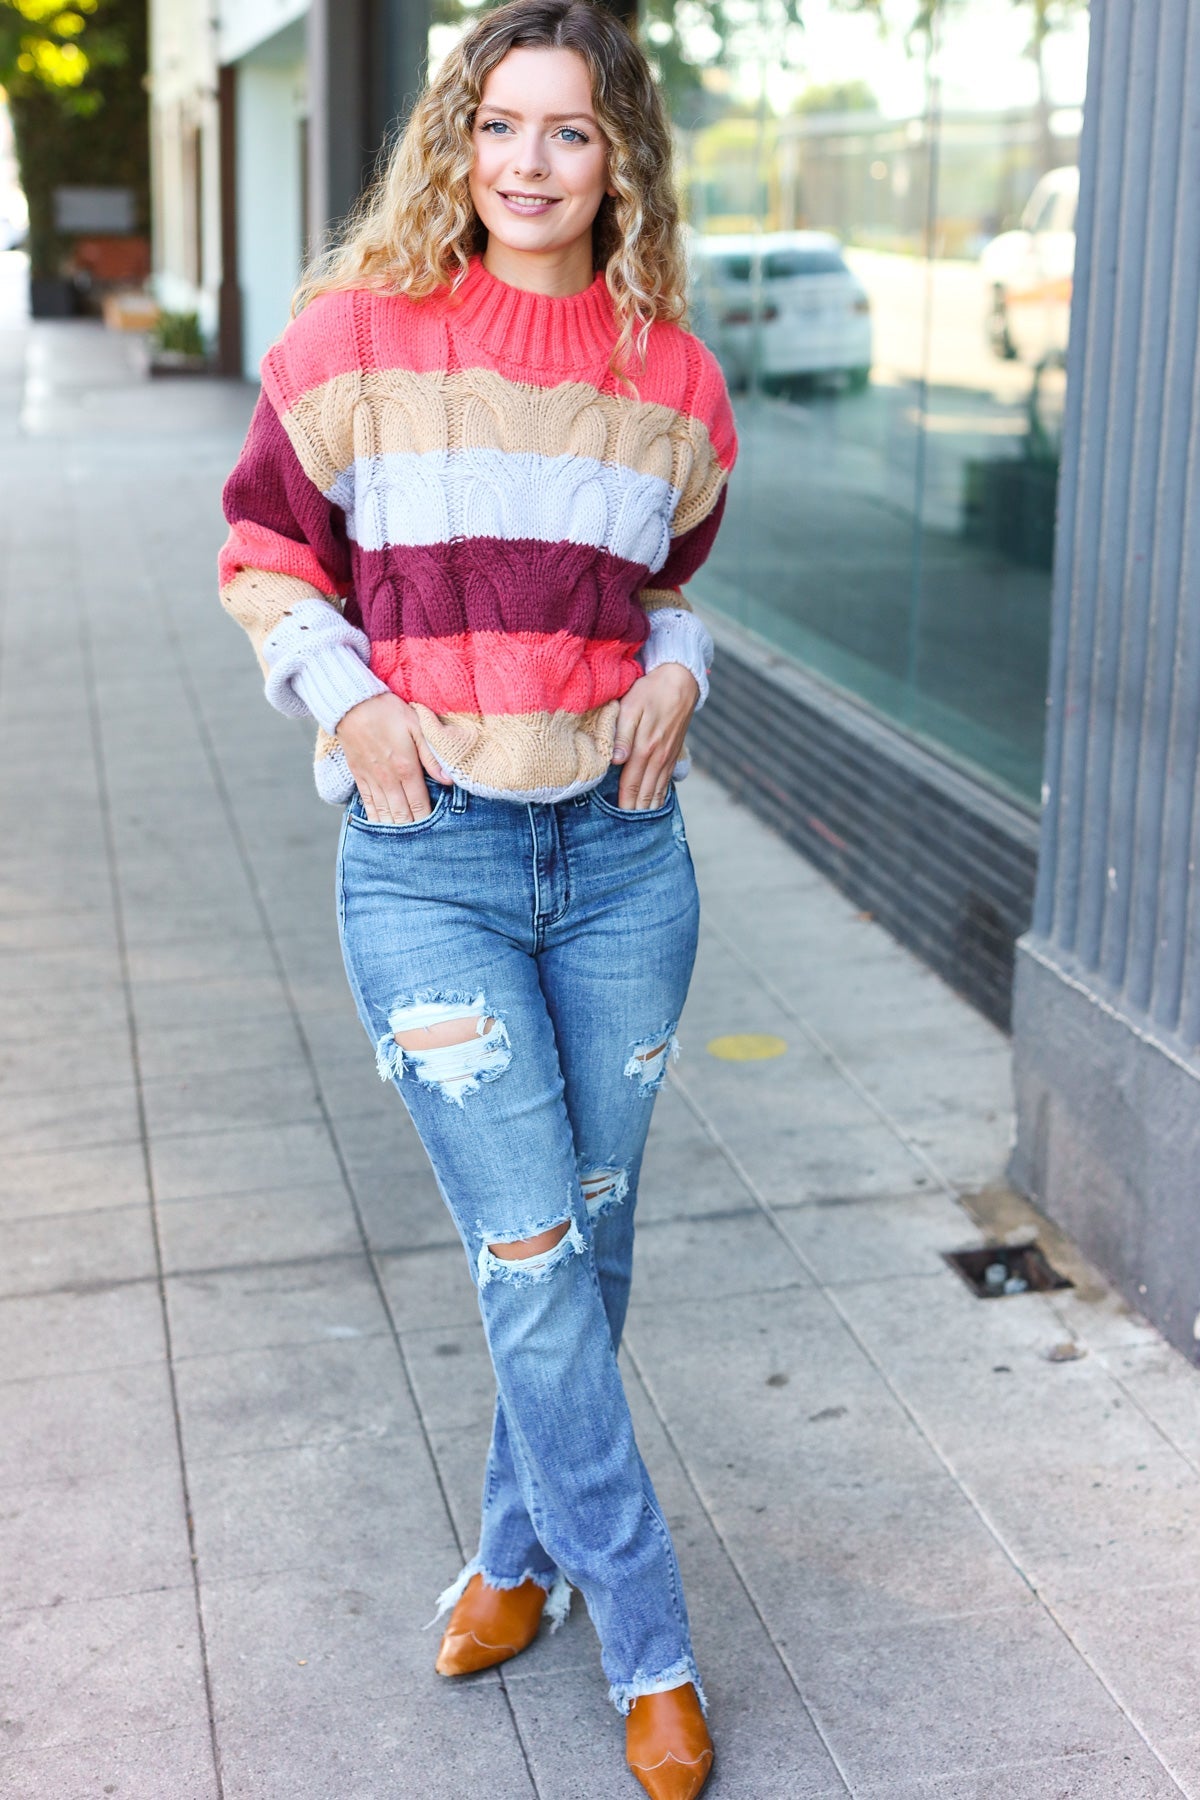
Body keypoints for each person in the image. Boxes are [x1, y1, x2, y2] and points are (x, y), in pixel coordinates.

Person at [218, 2, 735, 1792]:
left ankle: (517, 1561)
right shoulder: (353, 343)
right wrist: (349, 705)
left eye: (569, 130)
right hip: (428, 859)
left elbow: (657, 588)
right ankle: (650, 1637)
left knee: (589, 1240)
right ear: (455, 142)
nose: (529, 162)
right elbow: (264, 555)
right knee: (529, 1255)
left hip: (621, 864)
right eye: (500, 124)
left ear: (620, 157)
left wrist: (686, 669)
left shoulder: (675, 381)